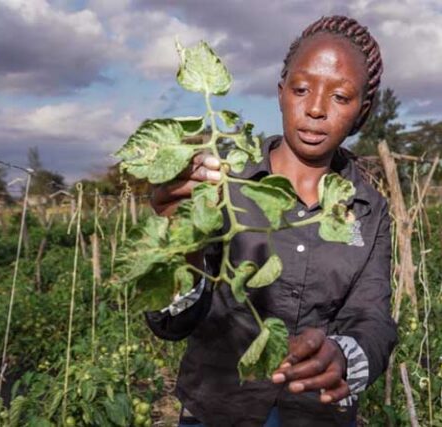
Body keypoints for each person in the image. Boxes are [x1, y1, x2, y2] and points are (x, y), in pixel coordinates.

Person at [146, 15, 397, 427]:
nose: (315, 108)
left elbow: (372, 316)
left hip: (317, 412)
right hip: (218, 409)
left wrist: (343, 355)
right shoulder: (225, 183)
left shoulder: (367, 208)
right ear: (280, 93)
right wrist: (180, 241)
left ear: (361, 110)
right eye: (301, 89)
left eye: (340, 97)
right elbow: (172, 325)